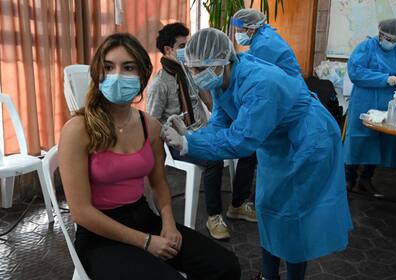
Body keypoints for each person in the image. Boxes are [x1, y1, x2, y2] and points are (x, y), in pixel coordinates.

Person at [162, 28, 353, 280]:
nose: (196, 76)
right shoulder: (223, 79)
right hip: (276, 141)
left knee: (295, 216)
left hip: (308, 141)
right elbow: (220, 124)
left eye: (200, 69)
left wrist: (188, 146)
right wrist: (191, 136)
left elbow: (241, 141)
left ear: (222, 62)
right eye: (193, 69)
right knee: (267, 207)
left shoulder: (260, 84)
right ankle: (269, 275)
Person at [58, 32, 241, 280]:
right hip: (99, 236)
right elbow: (81, 212)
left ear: (142, 75)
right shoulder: (78, 129)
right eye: (109, 67)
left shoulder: (149, 126)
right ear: (98, 73)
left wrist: (168, 222)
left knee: (225, 266)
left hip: (143, 218)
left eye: (128, 67)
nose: (117, 76)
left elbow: (159, 184)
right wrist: (145, 242)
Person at [147, 22, 257, 240]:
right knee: (213, 160)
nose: (189, 50)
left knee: (250, 150)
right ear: (168, 50)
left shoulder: (190, 70)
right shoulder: (160, 83)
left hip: (201, 130)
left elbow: (208, 99)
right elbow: (152, 121)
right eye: (183, 45)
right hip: (177, 139)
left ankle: (237, 204)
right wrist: (175, 137)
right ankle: (213, 216)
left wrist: (222, 117)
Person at [343, 19, 396, 195]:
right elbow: (356, 72)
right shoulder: (366, 47)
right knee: (358, 139)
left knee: (379, 141)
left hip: (387, 103)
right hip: (364, 101)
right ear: (381, 34)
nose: (392, 43)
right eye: (389, 38)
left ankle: (366, 179)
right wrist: (385, 79)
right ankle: (348, 179)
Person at [231, 8, 303, 80]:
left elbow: (257, 74)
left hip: (289, 85)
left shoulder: (263, 44)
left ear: (252, 28)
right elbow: (253, 54)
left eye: (240, 31)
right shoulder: (264, 32)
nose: (237, 34)